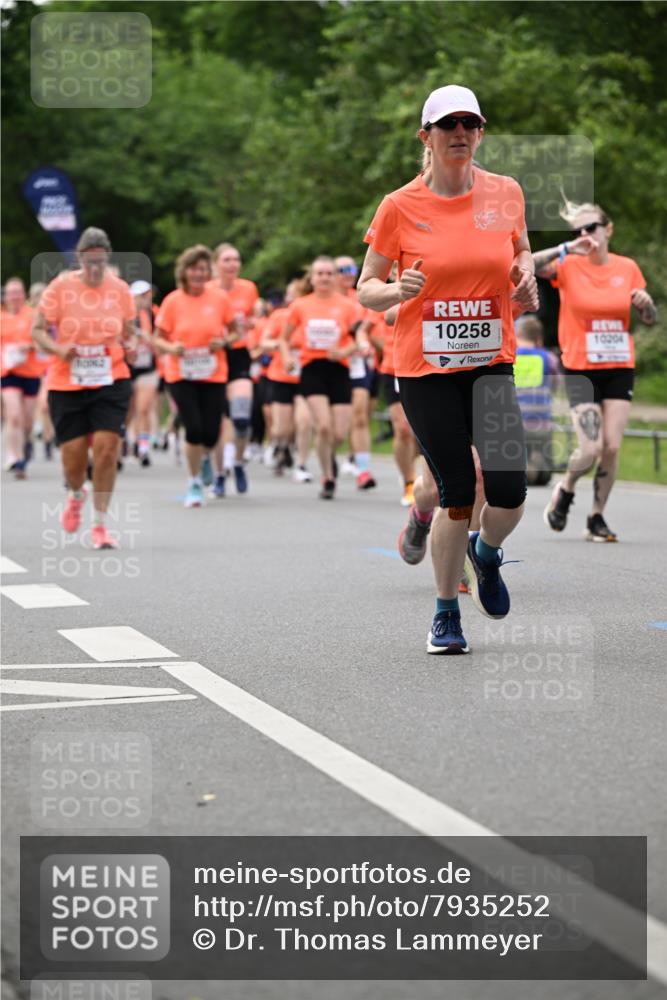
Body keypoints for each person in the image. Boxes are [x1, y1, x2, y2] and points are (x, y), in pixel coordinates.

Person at [358, 84, 538, 653]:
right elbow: (365, 288)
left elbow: (521, 251)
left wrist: (525, 275)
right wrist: (394, 289)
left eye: (470, 123)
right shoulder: (398, 206)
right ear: (426, 137)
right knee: (458, 488)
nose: (459, 132)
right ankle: (444, 614)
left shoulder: (505, 192)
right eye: (448, 125)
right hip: (425, 368)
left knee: (510, 490)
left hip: (491, 363)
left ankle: (485, 555)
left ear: (480, 132)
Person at [536, 201, 657, 540]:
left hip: (619, 365)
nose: (585, 235)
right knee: (589, 449)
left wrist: (647, 307)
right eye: (578, 231)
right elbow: (524, 266)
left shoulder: (627, 267)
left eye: (591, 228)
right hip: (580, 368)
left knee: (612, 448)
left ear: (608, 229)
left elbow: (649, 318)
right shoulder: (567, 265)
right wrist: (565, 248)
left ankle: (596, 517)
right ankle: (566, 488)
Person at [31, 228, 137, 548]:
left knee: (106, 450)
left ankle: (100, 525)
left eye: (100, 260)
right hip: (67, 381)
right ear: (80, 258)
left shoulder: (119, 290)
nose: (94, 266)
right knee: (73, 459)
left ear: (107, 258)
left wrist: (130, 346)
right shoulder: (61, 287)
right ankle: (77, 493)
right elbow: (38, 330)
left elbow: (129, 331)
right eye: (89, 260)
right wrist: (58, 349)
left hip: (111, 377)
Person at [153, 245, 235, 508]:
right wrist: (171, 348)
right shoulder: (173, 301)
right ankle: (194, 481)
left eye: (202, 269)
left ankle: (207, 458)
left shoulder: (219, 299)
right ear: (184, 272)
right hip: (180, 373)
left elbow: (235, 332)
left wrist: (223, 342)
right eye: (193, 269)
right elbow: (158, 339)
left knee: (211, 432)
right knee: (194, 428)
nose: (198, 274)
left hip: (213, 372)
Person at [280, 256, 359, 499]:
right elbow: (284, 338)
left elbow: (359, 338)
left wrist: (345, 350)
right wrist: (286, 358)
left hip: (339, 370)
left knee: (338, 434)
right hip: (312, 368)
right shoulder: (300, 305)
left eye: (328, 273)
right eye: (319, 273)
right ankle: (327, 476)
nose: (324, 278)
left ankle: (327, 456)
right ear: (312, 278)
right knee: (323, 426)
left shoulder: (348, 306)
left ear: (335, 277)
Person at [207, 243, 259, 496]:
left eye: (236, 259)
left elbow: (251, 319)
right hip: (213, 355)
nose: (232, 264)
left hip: (238, 353)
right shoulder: (206, 290)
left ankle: (237, 462)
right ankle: (219, 473)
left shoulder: (248, 288)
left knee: (240, 416)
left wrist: (249, 323)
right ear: (216, 264)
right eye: (227, 259)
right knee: (217, 421)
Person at [261, 278, 314, 481]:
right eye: (290, 295)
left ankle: (300, 464)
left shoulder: (312, 316)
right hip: (281, 375)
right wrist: (282, 345)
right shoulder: (278, 317)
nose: (292, 299)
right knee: (281, 428)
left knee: (304, 421)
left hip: (305, 376)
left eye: (297, 295)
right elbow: (264, 342)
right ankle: (278, 446)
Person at [1, 277, 40, 478]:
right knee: (13, 415)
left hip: (31, 372)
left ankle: (25, 446)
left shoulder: (33, 315)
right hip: (8, 373)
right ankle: (14, 457)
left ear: (23, 295)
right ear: (5, 296)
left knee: (27, 421)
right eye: (11, 292)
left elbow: (44, 343)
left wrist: (29, 346)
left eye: (18, 292)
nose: (15, 296)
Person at [514, 314, 559, 486]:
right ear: (538, 338)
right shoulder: (548, 358)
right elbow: (555, 384)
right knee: (543, 464)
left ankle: (526, 469)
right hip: (541, 421)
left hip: (516, 421)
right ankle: (538, 466)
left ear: (517, 335)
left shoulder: (510, 356)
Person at [127, 280, 159, 467]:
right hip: (128, 366)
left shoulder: (154, 314)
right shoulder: (125, 314)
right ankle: (127, 441)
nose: (145, 299)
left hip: (148, 366)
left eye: (147, 295)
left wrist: (151, 341)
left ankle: (143, 447)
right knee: (128, 410)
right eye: (141, 296)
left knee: (144, 408)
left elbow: (161, 338)